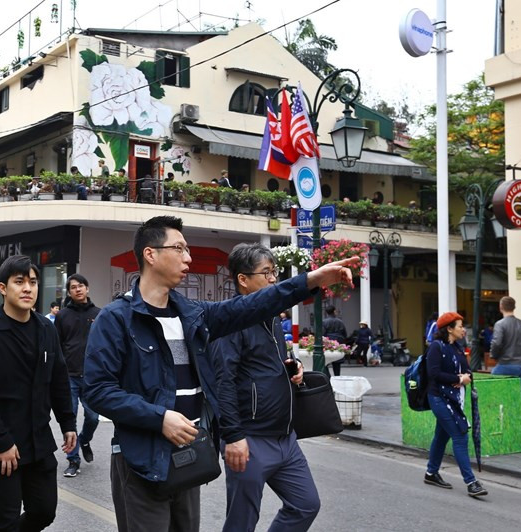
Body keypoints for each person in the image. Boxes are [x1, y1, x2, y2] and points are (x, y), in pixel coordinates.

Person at [83, 215, 355, 531]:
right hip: (143, 459)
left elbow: (251, 306)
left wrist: (311, 280)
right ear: (151, 254)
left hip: (189, 455)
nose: (189, 257)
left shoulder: (192, 314)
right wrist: (160, 418)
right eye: (179, 248)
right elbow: (98, 391)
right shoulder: (116, 319)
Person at [209, 243, 317, 532]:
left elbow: (262, 366)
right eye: (266, 273)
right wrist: (233, 436)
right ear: (243, 280)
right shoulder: (229, 322)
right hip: (249, 439)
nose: (273, 279)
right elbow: (224, 381)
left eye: (275, 272)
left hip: (285, 437)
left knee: (306, 504)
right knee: (242, 522)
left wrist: (290, 369)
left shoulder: (270, 317)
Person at [0, 255, 76, 531]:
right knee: (6, 518)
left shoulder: (46, 328)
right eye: (19, 282)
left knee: (44, 511)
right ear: (2, 288)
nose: (28, 288)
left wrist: (68, 423)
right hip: (3, 446)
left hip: (39, 441)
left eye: (33, 282)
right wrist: (1, 442)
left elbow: (59, 378)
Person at [423, 312, 488, 497]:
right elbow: (433, 374)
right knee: (460, 436)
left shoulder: (458, 348)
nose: (463, 329)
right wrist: (458, 378)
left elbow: (467, 371)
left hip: (454, 399)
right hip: (439, 398)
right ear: (449, 329)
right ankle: (471, 483)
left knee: (441, 436)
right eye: (460, 326)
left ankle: (431, 473)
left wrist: (465, 377)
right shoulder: (437, 347)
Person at [54, 274, 101, 478]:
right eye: (73, 287)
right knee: (69, 419)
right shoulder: (63, 315)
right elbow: (56, 345)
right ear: (70, 292)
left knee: (93, 416)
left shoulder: (99, 314)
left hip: (92, 376)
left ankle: (84, 439)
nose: (77, 289)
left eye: (81, 286)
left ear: (87, 288)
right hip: (69, 376)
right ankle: (73, 459)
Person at [490, 296, 521, 435]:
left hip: (506, 364)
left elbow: (496, 343)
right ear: (514, 307)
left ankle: (497, 421)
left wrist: (494, 356)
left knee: (490, 386)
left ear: (501, 307)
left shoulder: (500, 324)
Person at [322, 306, 347, 376]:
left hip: (328, 341)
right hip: (339, 341)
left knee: (325, 361)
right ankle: (337, 376)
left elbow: (322, 333)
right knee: (337, 362)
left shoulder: (324, 322)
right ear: (334, 311)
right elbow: (345, 334)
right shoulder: (340, 322)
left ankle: (328, 376)